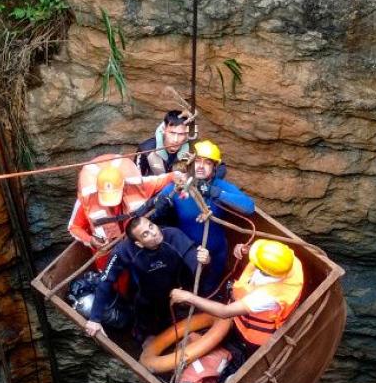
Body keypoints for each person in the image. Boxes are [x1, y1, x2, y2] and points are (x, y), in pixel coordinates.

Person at [153, 140, 254, 297]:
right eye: (198, 161)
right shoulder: (179, 187)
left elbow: (249, 207)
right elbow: (155, 208)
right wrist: (158, 205)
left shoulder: (219, 186)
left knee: (210, 288)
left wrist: (216, 193)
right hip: (187, 250)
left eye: (207, 163)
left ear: (214, 167)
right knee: (186, 284)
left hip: (216, 250)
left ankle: (207, 303)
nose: (200, 166)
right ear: (191, 163)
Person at [84, 216, 211, 339]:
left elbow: (194, 261)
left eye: (151, 226)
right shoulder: (124, 251)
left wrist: (204, 260)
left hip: (177, 290)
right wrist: (95, 318)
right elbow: (106, 279)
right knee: (145, 325)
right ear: (139, 243)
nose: (154, 233)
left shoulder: (173, 235)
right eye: (145, 234)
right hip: (147, 296)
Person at [170, 239, 304, 349]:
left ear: (264, 270)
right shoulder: (289, 261)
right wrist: (247, 249)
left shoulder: (267, 297)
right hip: (246, 310)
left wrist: (188, 297)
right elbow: (269, 254)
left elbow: (224, 312)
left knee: (240, 347)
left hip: (252, 335)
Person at [67, 154, 174, 263]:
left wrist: (178, 175)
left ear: (123, 186)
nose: (112, 204)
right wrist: (90, 240)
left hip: (137, 251)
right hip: (107, 257)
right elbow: (73, 227)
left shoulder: (137, 186)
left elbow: (166, 178)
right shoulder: (86, 201)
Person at [136, 110, 192, 176]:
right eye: (172, 133)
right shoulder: (146, 149)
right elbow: (136, 179)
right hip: (152, 185)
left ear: (187, 134)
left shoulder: (191, 150)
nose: (175, 140)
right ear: (163, 129)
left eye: (181, 134)